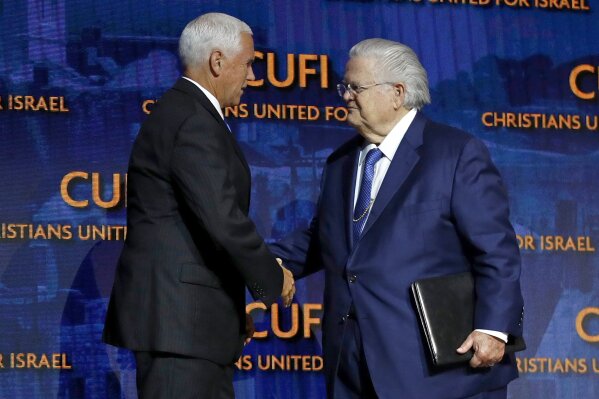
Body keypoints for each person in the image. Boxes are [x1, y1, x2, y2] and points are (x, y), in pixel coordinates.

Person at [271, 38, 524, 399]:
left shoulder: (456, 154)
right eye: (344, 87)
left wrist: (495, 329)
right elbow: (324, 240)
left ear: (397, 93)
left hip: (438, 372)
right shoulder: (339, 163)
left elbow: (496, 251)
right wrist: (258, 263)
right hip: (351, 366)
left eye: (355, 87)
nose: (345, 96)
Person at [103, 13, 294, 399]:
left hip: (190, 327)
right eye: (250, 63)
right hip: (180, 330)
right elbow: (223, 220)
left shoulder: (187, 113)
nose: (254, 77)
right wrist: (271, 282)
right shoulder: (192, 120)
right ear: (218, 62)